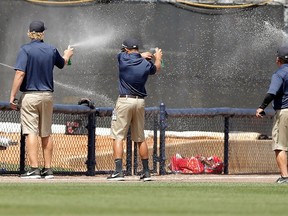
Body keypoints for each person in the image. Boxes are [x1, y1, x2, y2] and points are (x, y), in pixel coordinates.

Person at [9, 21, 74, 179]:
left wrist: (12, 96)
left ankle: (34, 169)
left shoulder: (25, 49)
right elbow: (62, 64)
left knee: (31, 131)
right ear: (43, 33)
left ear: (29, 32)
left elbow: (20, 74)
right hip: (47, 96)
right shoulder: (51, 48)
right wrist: (67, 55)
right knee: (46, 133)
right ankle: (48, 169)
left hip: (30, 96)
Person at [108, 38, 162, 181]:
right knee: (140, 138)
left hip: (125, 100)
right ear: (137, 49)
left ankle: (118, 172)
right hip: (140, 102)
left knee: (118, 136)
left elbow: (123, 53)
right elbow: (156, 68)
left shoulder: (122, 58)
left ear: (126, 50)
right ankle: (146, 172)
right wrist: (158, 58)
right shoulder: (145, 63)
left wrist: (140, 55)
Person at [256, 45, 288, 184]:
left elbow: (272, 93)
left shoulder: (280, 74)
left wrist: (261, 107)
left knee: (280, 145)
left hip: (285, 112)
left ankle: (285, 177)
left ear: (278, 59)